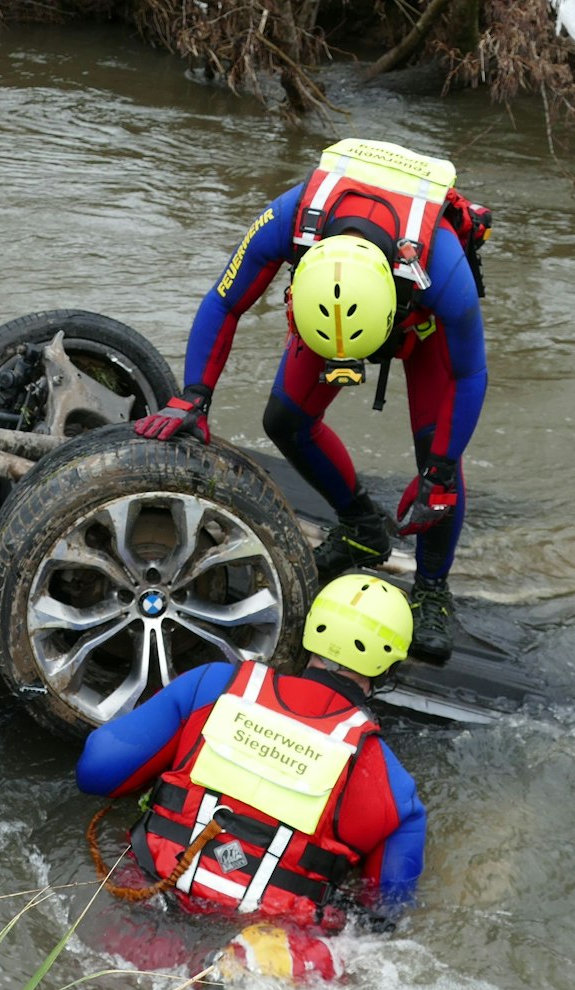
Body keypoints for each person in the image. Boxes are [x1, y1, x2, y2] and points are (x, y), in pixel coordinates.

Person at [133, 138, 494, 663]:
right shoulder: (289, 216)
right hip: (334, 310)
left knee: (437, 462)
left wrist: (438, 470)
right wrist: (193, 397)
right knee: (286, 419)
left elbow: (470, 373)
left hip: (425, 329)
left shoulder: (443, 267)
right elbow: (224, 301)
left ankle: (434, 589)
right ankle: (363, 529)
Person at [77, 573, 427, 977]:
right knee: (354, 949)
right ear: (389, 669)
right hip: (262, 939)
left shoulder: (212, 685)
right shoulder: (391, 783)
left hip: (149, 903)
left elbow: (96, 771)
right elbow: (385, 912)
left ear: (308, 633)